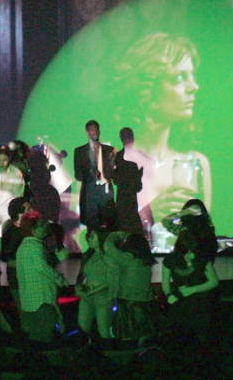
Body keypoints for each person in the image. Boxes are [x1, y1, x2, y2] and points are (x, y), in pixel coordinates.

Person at [114, 32, 212, 222]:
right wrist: (148, 214)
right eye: (179, 77)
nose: (194, 86)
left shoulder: (196, 164)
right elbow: (91, 235)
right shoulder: (110, 164)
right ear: (147, 87)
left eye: (192, 76)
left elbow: (204, 236)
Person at [16, 211, 67, 343]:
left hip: (28, 302)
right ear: (33, 230)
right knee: (45, 339)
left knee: (35, 340)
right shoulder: (35, 246)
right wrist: (59, 279)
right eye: (41, 225)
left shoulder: (23, 247)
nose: (45, 227)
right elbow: (43, 268)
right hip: (41, 301)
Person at [161, 230, 219, 345]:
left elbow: (214, 281)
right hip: (180, 303)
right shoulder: (170, 260)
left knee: (200, 336)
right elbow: (165, 283)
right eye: (186, 251)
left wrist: (193, 289)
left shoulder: (202, 259)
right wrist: (168, 295)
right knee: (180, 336)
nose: (189, 254)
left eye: (191, 250)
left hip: (200, 304)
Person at [104, 231, 156, 343]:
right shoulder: (145, 261)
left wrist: (117, 235)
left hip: (130, 302)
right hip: (145, 301)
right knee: (144, 333)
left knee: (130, 335)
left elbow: (108, 246)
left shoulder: (128, 258)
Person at [74, 120, 115, 229]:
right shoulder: (80, 151)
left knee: (108, 225)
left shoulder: (109, 150)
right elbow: (78, 175)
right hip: (89, 195)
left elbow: (114, 174)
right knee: (91, 228)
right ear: (87, 132)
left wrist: (113, 165)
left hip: (106, 194)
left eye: (97, 129)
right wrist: (91, 173)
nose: (95, 132)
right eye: (92, 129)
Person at [76, 228, 112, 340]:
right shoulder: (89, 255)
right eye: (88, 237)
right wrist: (79, 288)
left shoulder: (110, 256)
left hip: (103, 298)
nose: (88, 239)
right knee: (83, 329)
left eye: (92, 237)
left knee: (104, 331)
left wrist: (92, 291)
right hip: (87, 297)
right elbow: (82, 275)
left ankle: (106, 349)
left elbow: (111, 280)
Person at [113, 128, 145, 235]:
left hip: (124, 198)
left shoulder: (119, 156)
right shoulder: (138, 156)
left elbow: (116, 179)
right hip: (129, 199)